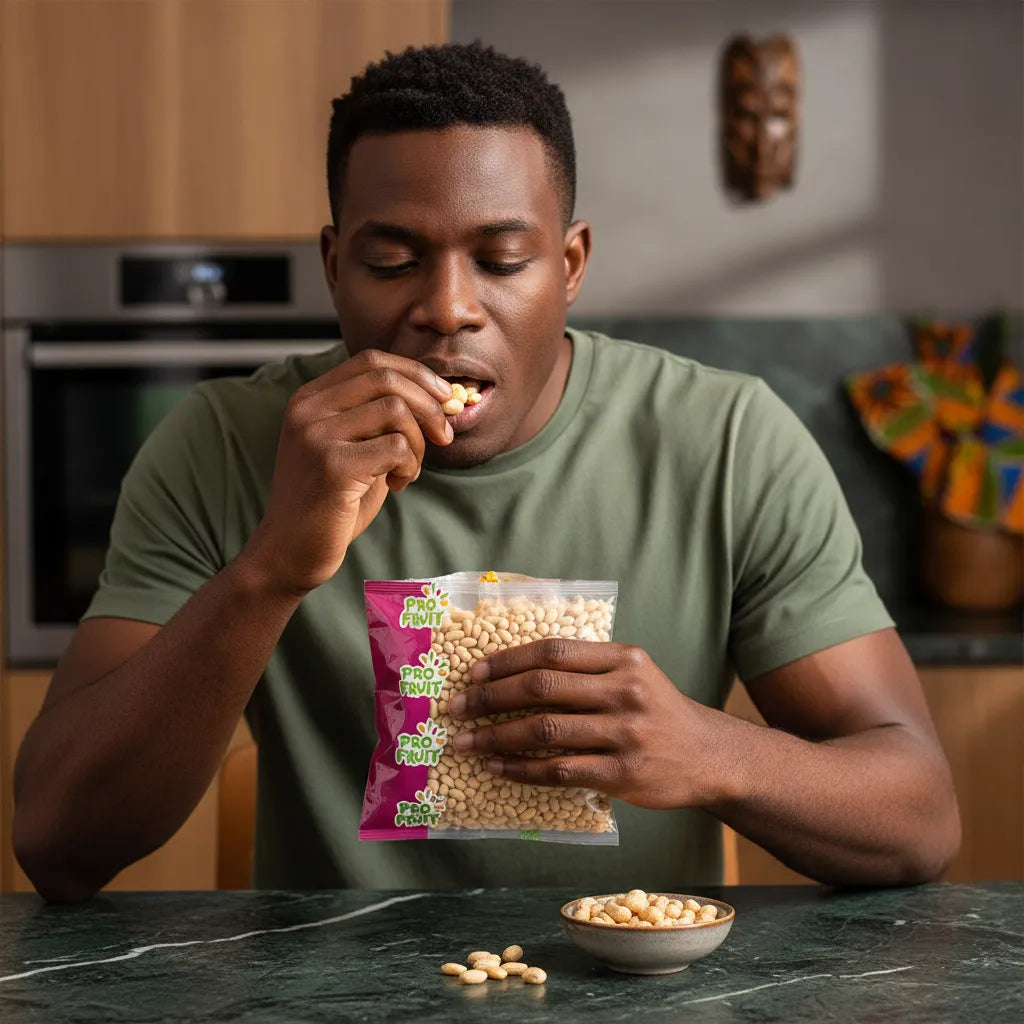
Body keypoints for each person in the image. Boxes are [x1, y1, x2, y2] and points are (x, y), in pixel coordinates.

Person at [13, 42, 959, 902]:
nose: (448, 309)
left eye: (503, 260)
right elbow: (58, 843)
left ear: (571, 264)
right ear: (336, 268)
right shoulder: (223, 445)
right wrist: (272, 569)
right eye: (391, 261)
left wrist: (712, 753)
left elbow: (920, 820)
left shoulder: (728, 441)